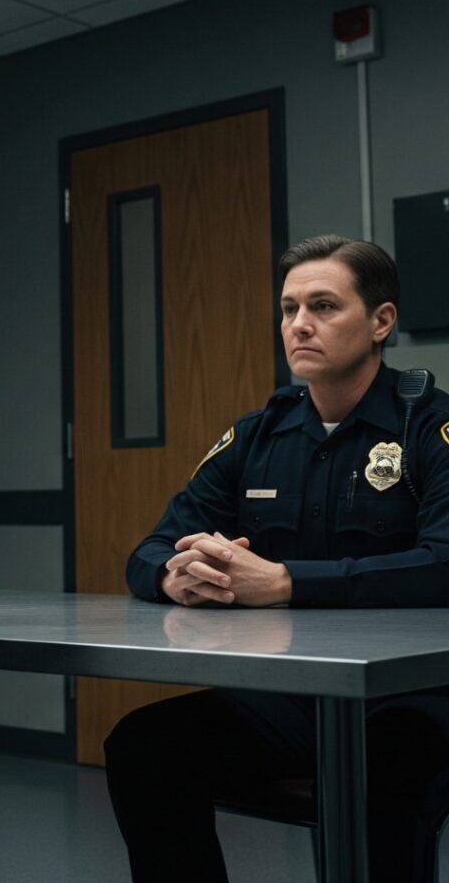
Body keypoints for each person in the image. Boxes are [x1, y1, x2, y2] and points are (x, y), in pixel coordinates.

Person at [103, 234, 449, 882]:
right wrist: (178, 577)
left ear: (381, 322)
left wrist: (285, 582)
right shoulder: (260, 432)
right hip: (296, 698)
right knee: (145, 747)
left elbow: (444, 564)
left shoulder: (431, 429)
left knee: (376, 774)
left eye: (322, 306)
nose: (299, 325)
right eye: (289, 309)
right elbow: (149, 551)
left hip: (414, 695)